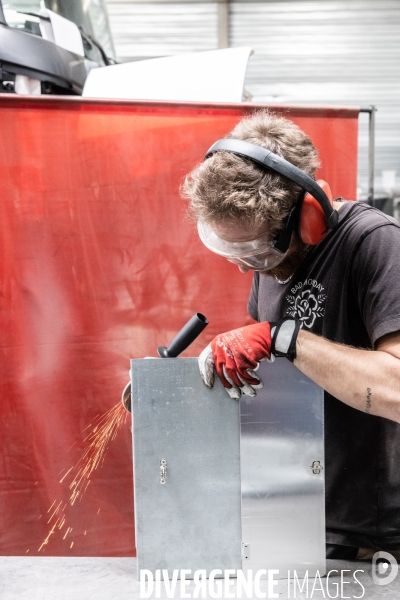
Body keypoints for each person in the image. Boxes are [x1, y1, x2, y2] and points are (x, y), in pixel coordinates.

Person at [181, 110, 400, 561]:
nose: (244, 266)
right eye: (233, 252)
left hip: (378, 539)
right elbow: (281, 367)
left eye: (255, 250)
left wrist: (285, 337)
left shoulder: (374, 243)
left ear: (309, 218)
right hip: (306, 521)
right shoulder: (275, 260)